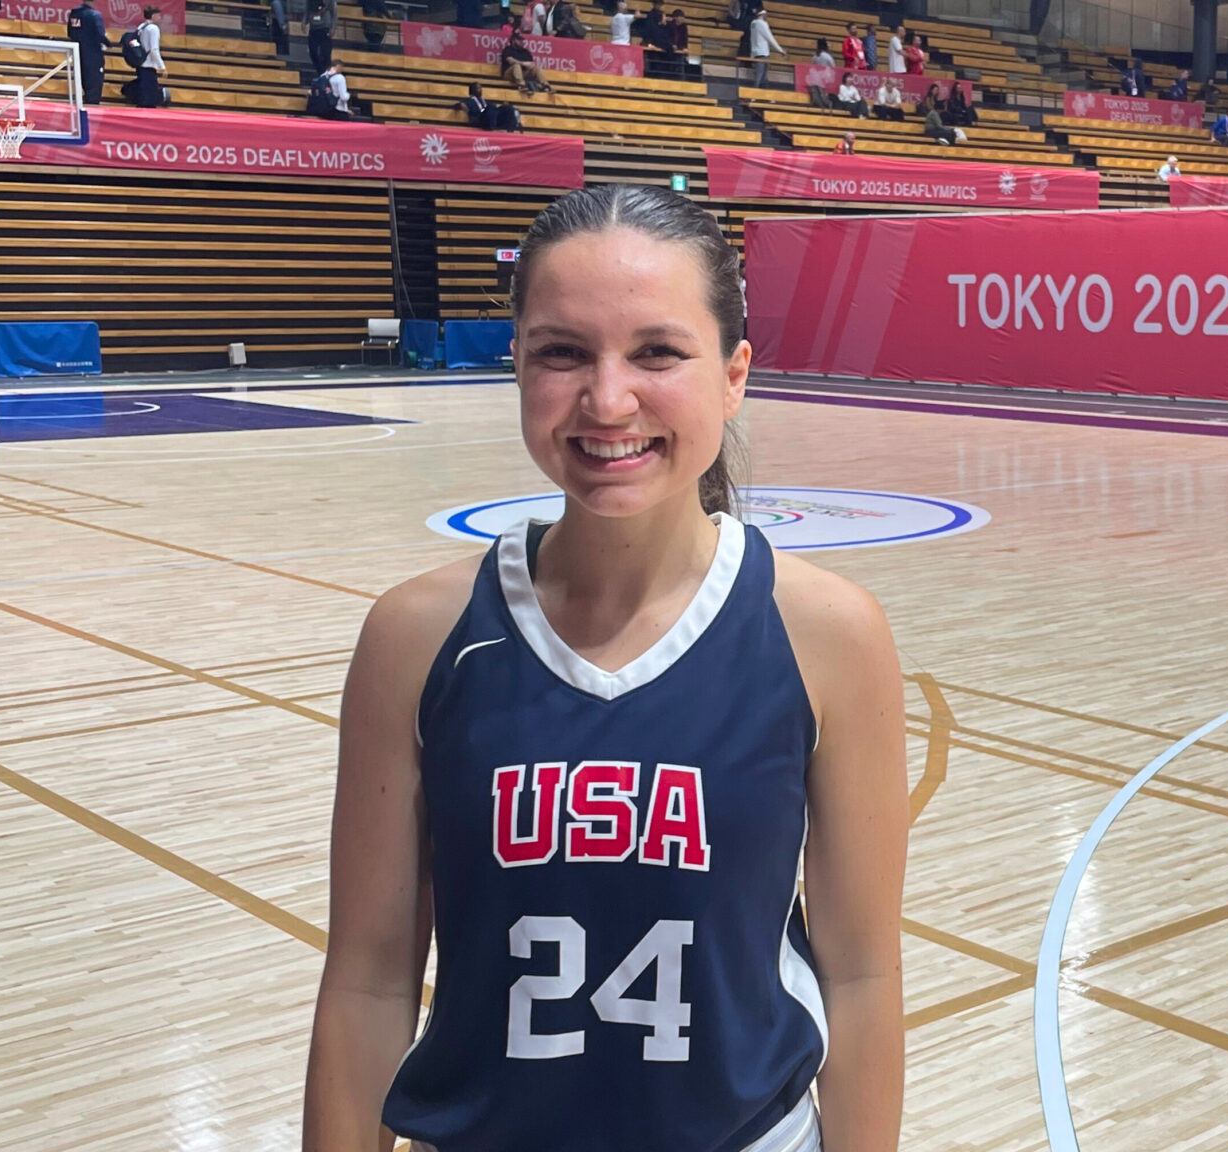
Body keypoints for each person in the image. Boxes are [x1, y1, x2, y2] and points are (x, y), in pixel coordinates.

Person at [302, 183, 906, 1152]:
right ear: (518, 367)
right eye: (562, 352)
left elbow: (863, 976)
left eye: (658, 351)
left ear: (734, 373)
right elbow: (369, 983)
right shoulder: (418, 637)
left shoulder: (827, 633)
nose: (608, 399)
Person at [65, 0, 110, 105]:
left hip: (78, 51)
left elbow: (70, 32)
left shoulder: (74, 13)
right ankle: (92, 106)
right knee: (94, 81)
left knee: (82, 78)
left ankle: (84, 103)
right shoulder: (94, 15)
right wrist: (109, 44)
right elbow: (100, 34)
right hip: (93, 52)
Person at [122, 5, 166, 107]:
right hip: (149, 64)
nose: (160, 17)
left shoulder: (141, 27)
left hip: (140, 61)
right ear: (153, 15)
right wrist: (162, 66)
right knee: (149, 94)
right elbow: (154, 49)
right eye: (158, 15)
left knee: (143, 90)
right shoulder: (153, 28)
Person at [500, 26, 552, 93]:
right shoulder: (508, 50)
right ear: (513, 40)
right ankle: (522, 85)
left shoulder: (525, 52)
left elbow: (531, 64)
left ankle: (545, 86)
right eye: (519, 40)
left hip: (523, 73)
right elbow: (510, 60)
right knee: (516, 65)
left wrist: (528, 65)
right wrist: (523, 63)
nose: (521, 41)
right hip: (509, 74)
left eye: (522, 40)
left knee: (535, 68)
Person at [456, 81, 520, 130]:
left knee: (507, 108)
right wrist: (461, 105)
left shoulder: (485, 101)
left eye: (480, 88)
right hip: (479, 118)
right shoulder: (468, 100)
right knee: (491, 107)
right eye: (478, 88)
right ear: (472, 89)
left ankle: (510, 129)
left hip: (490, 117)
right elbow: (457, 105)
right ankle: (493, 128)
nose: (480, 89)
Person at [747, 6, 783, 85]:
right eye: (766, 15)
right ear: (762, 15)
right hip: (762, 52)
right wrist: (780, 50)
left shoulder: (753, 23)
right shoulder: (762, 24)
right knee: (760, 75)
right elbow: (770, 38)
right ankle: (755, 92)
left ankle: (758, 91)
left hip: (755, 52)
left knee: (759, 74)